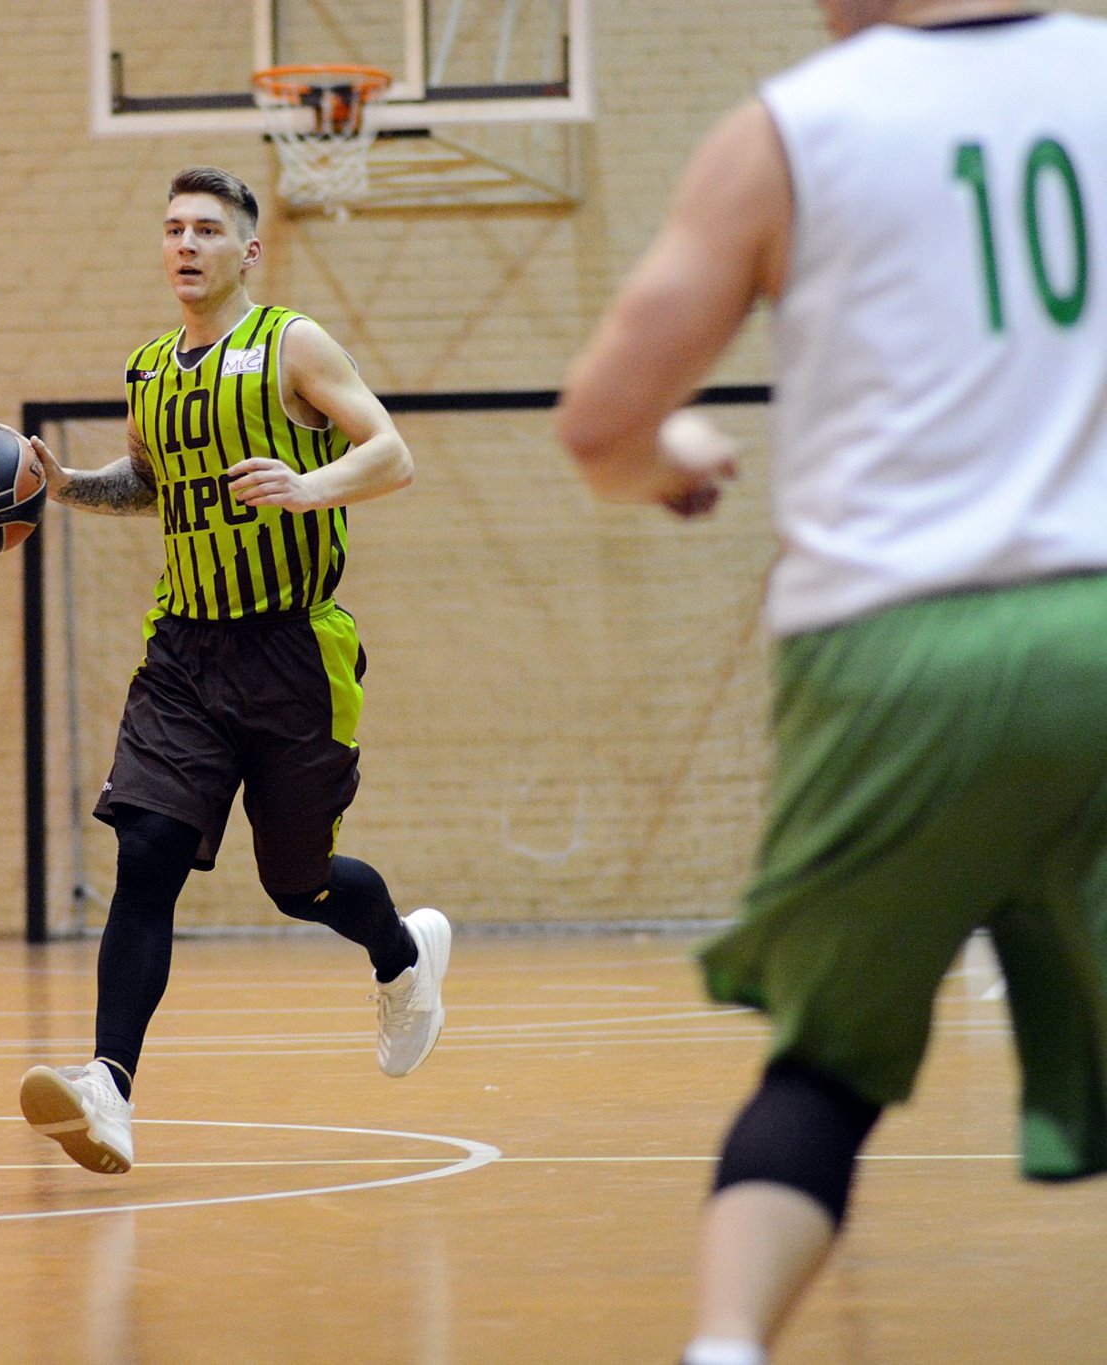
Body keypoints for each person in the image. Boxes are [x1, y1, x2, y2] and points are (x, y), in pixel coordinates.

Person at [555, 4, 1107, 1362]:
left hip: (885, 654)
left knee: (823, 1068)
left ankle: (727, 1346)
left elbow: (602, 424)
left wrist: (673, 462)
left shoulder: (791, 129)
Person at [0, 165, 452, 1176]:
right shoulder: (149, 371)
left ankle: (401, 954)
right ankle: (107, 1087)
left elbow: (390, 454)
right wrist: (67, 486)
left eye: (206, 229)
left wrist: (307, 485)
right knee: (146, 852)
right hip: (185, 654)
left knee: (297, 884)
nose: (186, 244)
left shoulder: (292, 344)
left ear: (248, 251)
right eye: (172, 229)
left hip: (293, 650)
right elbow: (151, 486)